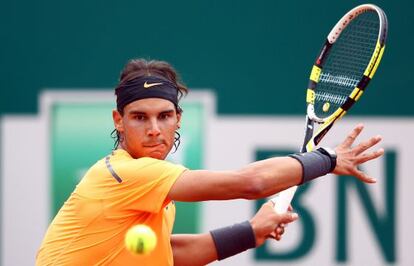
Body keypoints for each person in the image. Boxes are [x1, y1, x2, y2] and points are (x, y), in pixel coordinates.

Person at [36, 59, 384, 266]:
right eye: (140, 117)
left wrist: (250, 232)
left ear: (178, 119)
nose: (155, 130)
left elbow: (170, 254)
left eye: (164, 116)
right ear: (119, 120)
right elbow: (251, 184)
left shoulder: (148, 192)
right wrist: (327, 158)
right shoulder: (126, 173)